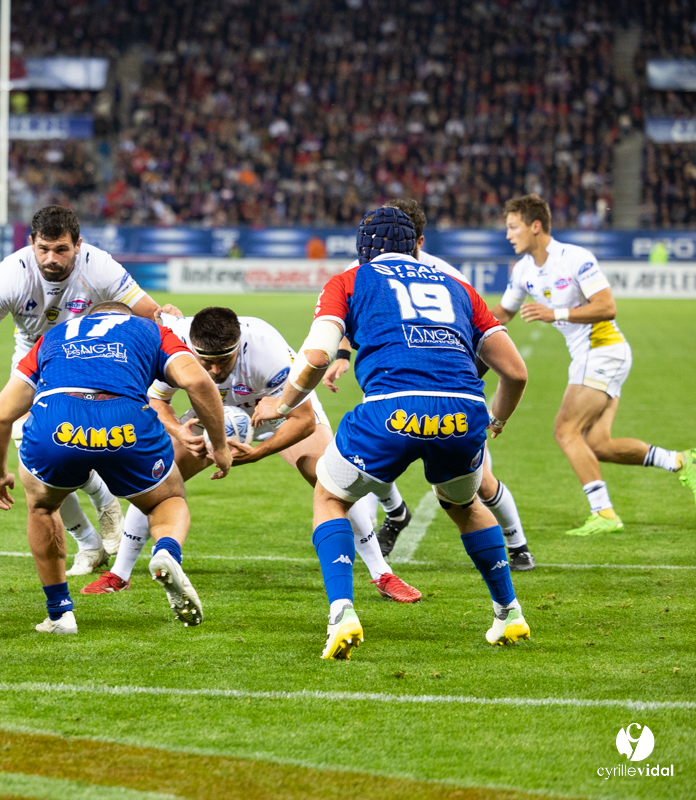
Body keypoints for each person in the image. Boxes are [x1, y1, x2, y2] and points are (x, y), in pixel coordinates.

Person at [256, 207, 531, 659]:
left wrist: (282, 405)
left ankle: (342, 612)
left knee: (330, 497)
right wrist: (495, 421)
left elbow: (318, 356)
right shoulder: (459, 286)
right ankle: (509, 611)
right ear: (416, 244)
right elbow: (516, 373)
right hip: (463, 414)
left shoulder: (349, 281)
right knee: (465, 505)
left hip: (391, 411)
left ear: (363, 250)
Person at [83, 307, 421, 604]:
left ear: (239, 345)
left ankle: (382, 574)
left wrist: (258, 452)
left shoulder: (266, 350)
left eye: (223, 362)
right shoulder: (178, 342)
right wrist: (180, 431)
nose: (214, 372)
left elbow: (303, 420)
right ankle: (120, 574)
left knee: (330, 479)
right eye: (207, 363)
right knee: (157, 478)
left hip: (280, 411)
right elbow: (157, 400)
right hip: (214, 416)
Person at [0, 205, 180, 573]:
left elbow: (148, 312)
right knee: (29, 441)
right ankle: (89, 543)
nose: (51, 258)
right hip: (35, 356)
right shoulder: (13, 273)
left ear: (79, 245)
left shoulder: (100, 266)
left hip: (89, 358)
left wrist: (163, 314)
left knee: (70, 441)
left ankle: (106, 507)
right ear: (31, 243)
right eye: (43, 248)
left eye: (61, 249)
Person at [0, 302, 231, 634]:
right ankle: (166, 551)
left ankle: (60, 615)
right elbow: (199, 383)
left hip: (57, 424)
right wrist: (220, 446)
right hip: (124, 422)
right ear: (125, 318)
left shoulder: (54, 336)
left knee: (43, 507)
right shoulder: (150, 329)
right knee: (164, 499)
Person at [324, 198, 535, 570]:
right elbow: (346, 316)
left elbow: (476, 341)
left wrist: (454, 380)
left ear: (418, 241)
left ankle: (518, 545)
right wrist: (342, 356)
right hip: (395, 380)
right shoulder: (373, 271)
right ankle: (381, 531)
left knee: (481, 482)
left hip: (446, 381)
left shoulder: (446, 276)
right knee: (373, 462)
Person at [497, 195, 695, 535]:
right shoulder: (524, 272)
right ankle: (681, 461)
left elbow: (606, 306)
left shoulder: (574, 258)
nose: (508, 235)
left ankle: (603, 513)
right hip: (592, 355)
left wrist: (554, 313)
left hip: (602, 349)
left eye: (513, 227)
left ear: (535, 226)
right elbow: (501, 315)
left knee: (565, 430)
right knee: (598, 444)